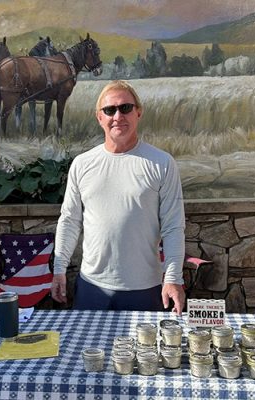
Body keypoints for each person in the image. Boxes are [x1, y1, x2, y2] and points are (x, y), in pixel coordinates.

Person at [51, 80, 186, 314]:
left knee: (146, 352)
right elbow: (70, 220)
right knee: (88, 351)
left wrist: (173, 277)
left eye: (125, 108)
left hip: (145, 289)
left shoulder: (162, 163)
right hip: (92, 288)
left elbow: (173, 226)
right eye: (109, 110)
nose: (117, 116)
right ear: (99, 117)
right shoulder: (82, 164)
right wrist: (59, 268)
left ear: (138, 112)